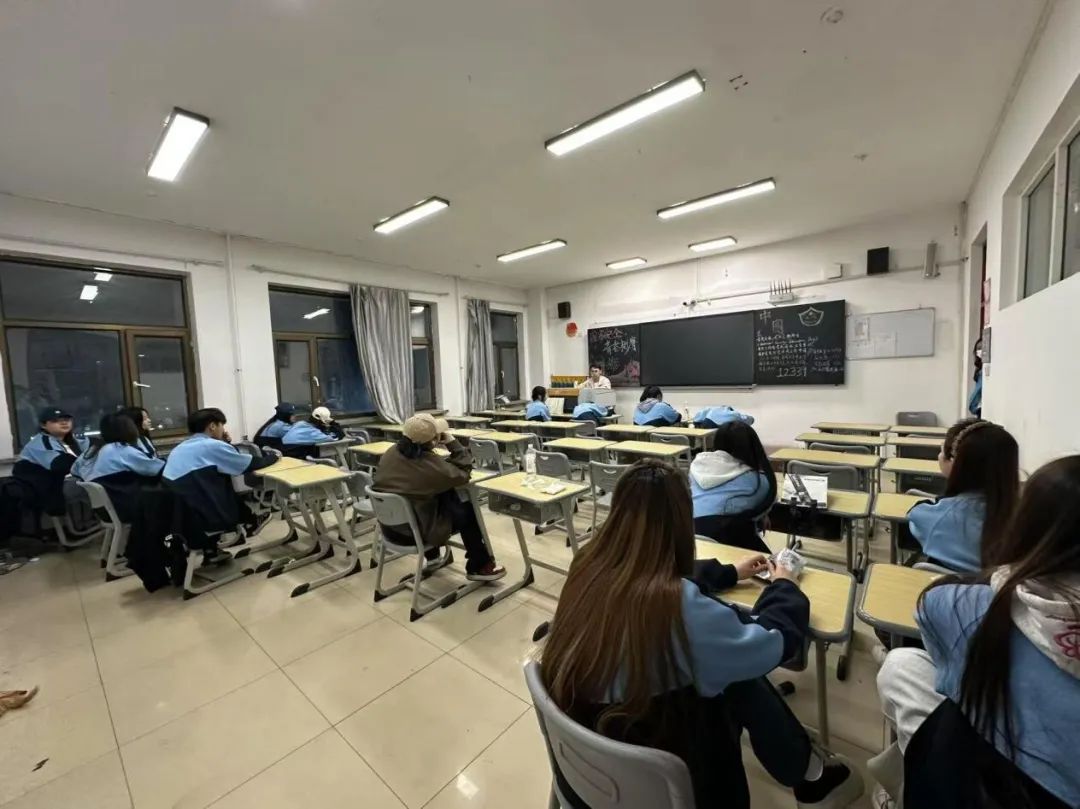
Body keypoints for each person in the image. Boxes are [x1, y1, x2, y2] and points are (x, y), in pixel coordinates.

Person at [539, 459, 863, 809]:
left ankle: (809, 771)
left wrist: (728, 573)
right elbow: (771, 642)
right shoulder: (680, 609)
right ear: (682, 524)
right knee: (739, 677)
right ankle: (810, 773)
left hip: (590, 758)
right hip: (663, 771)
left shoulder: (587, 566)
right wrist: (784, 585)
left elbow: (653, 573)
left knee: (724, 671)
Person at [876, 455, 1080, 809]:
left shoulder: (964, 604)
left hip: (966, 780)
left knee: (900, 663)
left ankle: (898, 787)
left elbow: (915, 518)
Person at [373, 413, 505, 581]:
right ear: (433, 441)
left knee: (434, 497)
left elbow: (430, 474)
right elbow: (463, 474)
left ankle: (434, 558)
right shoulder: (426, 463)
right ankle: (479, 565)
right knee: (464, 507)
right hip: (416, 533)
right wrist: (453, 443)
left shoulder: (391, 453)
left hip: (391, 530)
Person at [905, 418, 1019, 572]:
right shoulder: (1028, 517)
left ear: (955, 463)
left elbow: (914, 518)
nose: (940, 456)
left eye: (942, 450)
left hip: (948, 586)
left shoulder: (937, 517)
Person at [163, 408, 276, 540]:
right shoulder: (210, 445)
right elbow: (247, 464)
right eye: (222, 425)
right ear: (212, 426)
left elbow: (227, 460)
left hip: (180, 511)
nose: (223, 429)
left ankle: (247, 521)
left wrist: (224, 443)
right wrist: (274, 457)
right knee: (223, 481)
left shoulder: (182, 446)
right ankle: (249, 520)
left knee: (220, 477)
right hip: (201, 509)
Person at [691, 421, 777, 551]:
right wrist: (762, 515)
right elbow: (766, 503)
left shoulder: (696, 467)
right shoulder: (759, 481)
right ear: (753, 446)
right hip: (724, 543)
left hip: (689, 539)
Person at [81, 413, 166, 523]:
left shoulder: (96, 450)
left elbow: (75, 470)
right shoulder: (122, 450)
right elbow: (157, 469)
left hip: (105, 510)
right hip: (125, 508)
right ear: (129, 429)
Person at [13, 406, 91, 519]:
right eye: (55, 420)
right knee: (99, 485)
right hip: (52, 489)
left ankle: (103, 518)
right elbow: (61, 464)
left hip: (66, 482)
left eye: (67, 419)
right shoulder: (41, 442)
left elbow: (93, 448)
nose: (64, 423)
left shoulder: (71, 440)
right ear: (43, 425)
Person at [281, 406, 345, 458]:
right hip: (293, 457)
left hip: (283, 452)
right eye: (323, 423)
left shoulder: (300, 423)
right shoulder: (314, 433)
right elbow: (338, 436)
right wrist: (333, 423)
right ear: (320, 422)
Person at [968, 338, 983, 418]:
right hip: (980, 409)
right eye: (978, 348)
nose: (980, 351)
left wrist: (972, 407)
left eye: (982, 348)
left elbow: (977, 392)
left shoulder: (983, 371)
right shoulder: (980, 370)